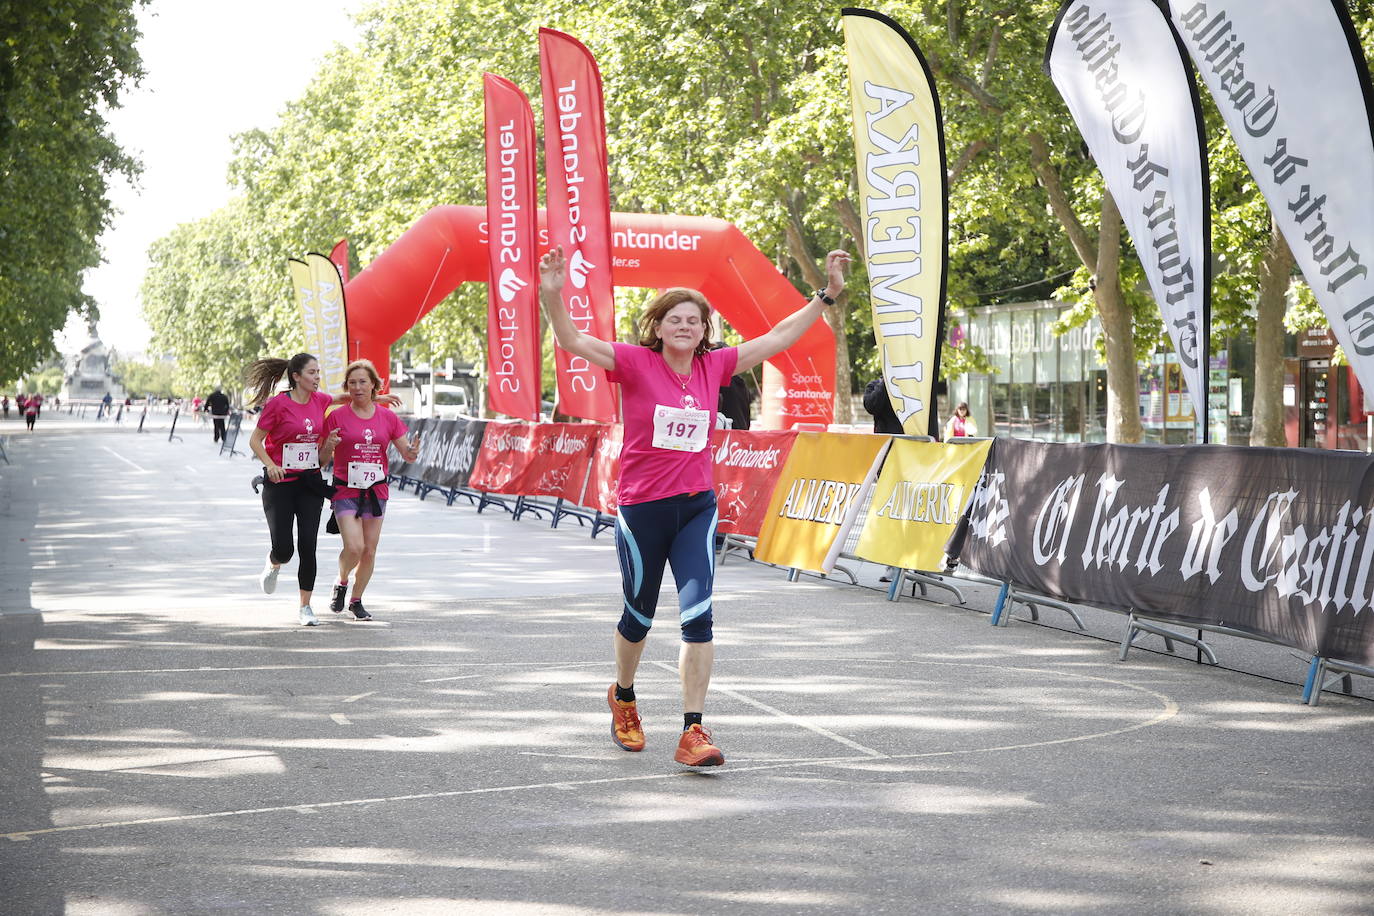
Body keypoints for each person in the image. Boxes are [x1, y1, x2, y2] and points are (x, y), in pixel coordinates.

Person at [539, 242, 849, 768]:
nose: (685, 327)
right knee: (638, 615)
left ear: (705, 330)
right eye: (675, 319)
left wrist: (826, 296)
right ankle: (624, 696)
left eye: (695, 321)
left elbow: (776, 338)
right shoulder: (633, 361)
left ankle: (693, 730)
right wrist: (553, 295)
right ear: (658, 327)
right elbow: (570, 339)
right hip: (642, 511)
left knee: (698, 616)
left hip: (696, 509)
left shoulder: (715, 366)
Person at [319, 359, 419, 622]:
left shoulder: (387, 417)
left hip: (376, 490)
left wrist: (412, 452)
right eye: (352, 383)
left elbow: (406, 454)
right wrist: (329, 445)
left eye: (363, 382)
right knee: (354, 547)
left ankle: (356, 600)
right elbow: (321, 460)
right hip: (345, 489)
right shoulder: (336, 416)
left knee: (369, 551)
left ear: (374, 385)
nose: (357, 387)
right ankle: (341, 581)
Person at [246, 354, 341, 627]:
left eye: (319, 372)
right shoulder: (278, 404)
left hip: (310, 483)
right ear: (296, 377)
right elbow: (255, 440)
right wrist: (270, 465)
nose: (317, 377)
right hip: (280, 485)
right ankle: (274, 562)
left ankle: (305, 607)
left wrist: (375, 398)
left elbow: (345, 398)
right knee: (285, 549)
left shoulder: (320, 400)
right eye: (312, 372)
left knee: (308, 546)